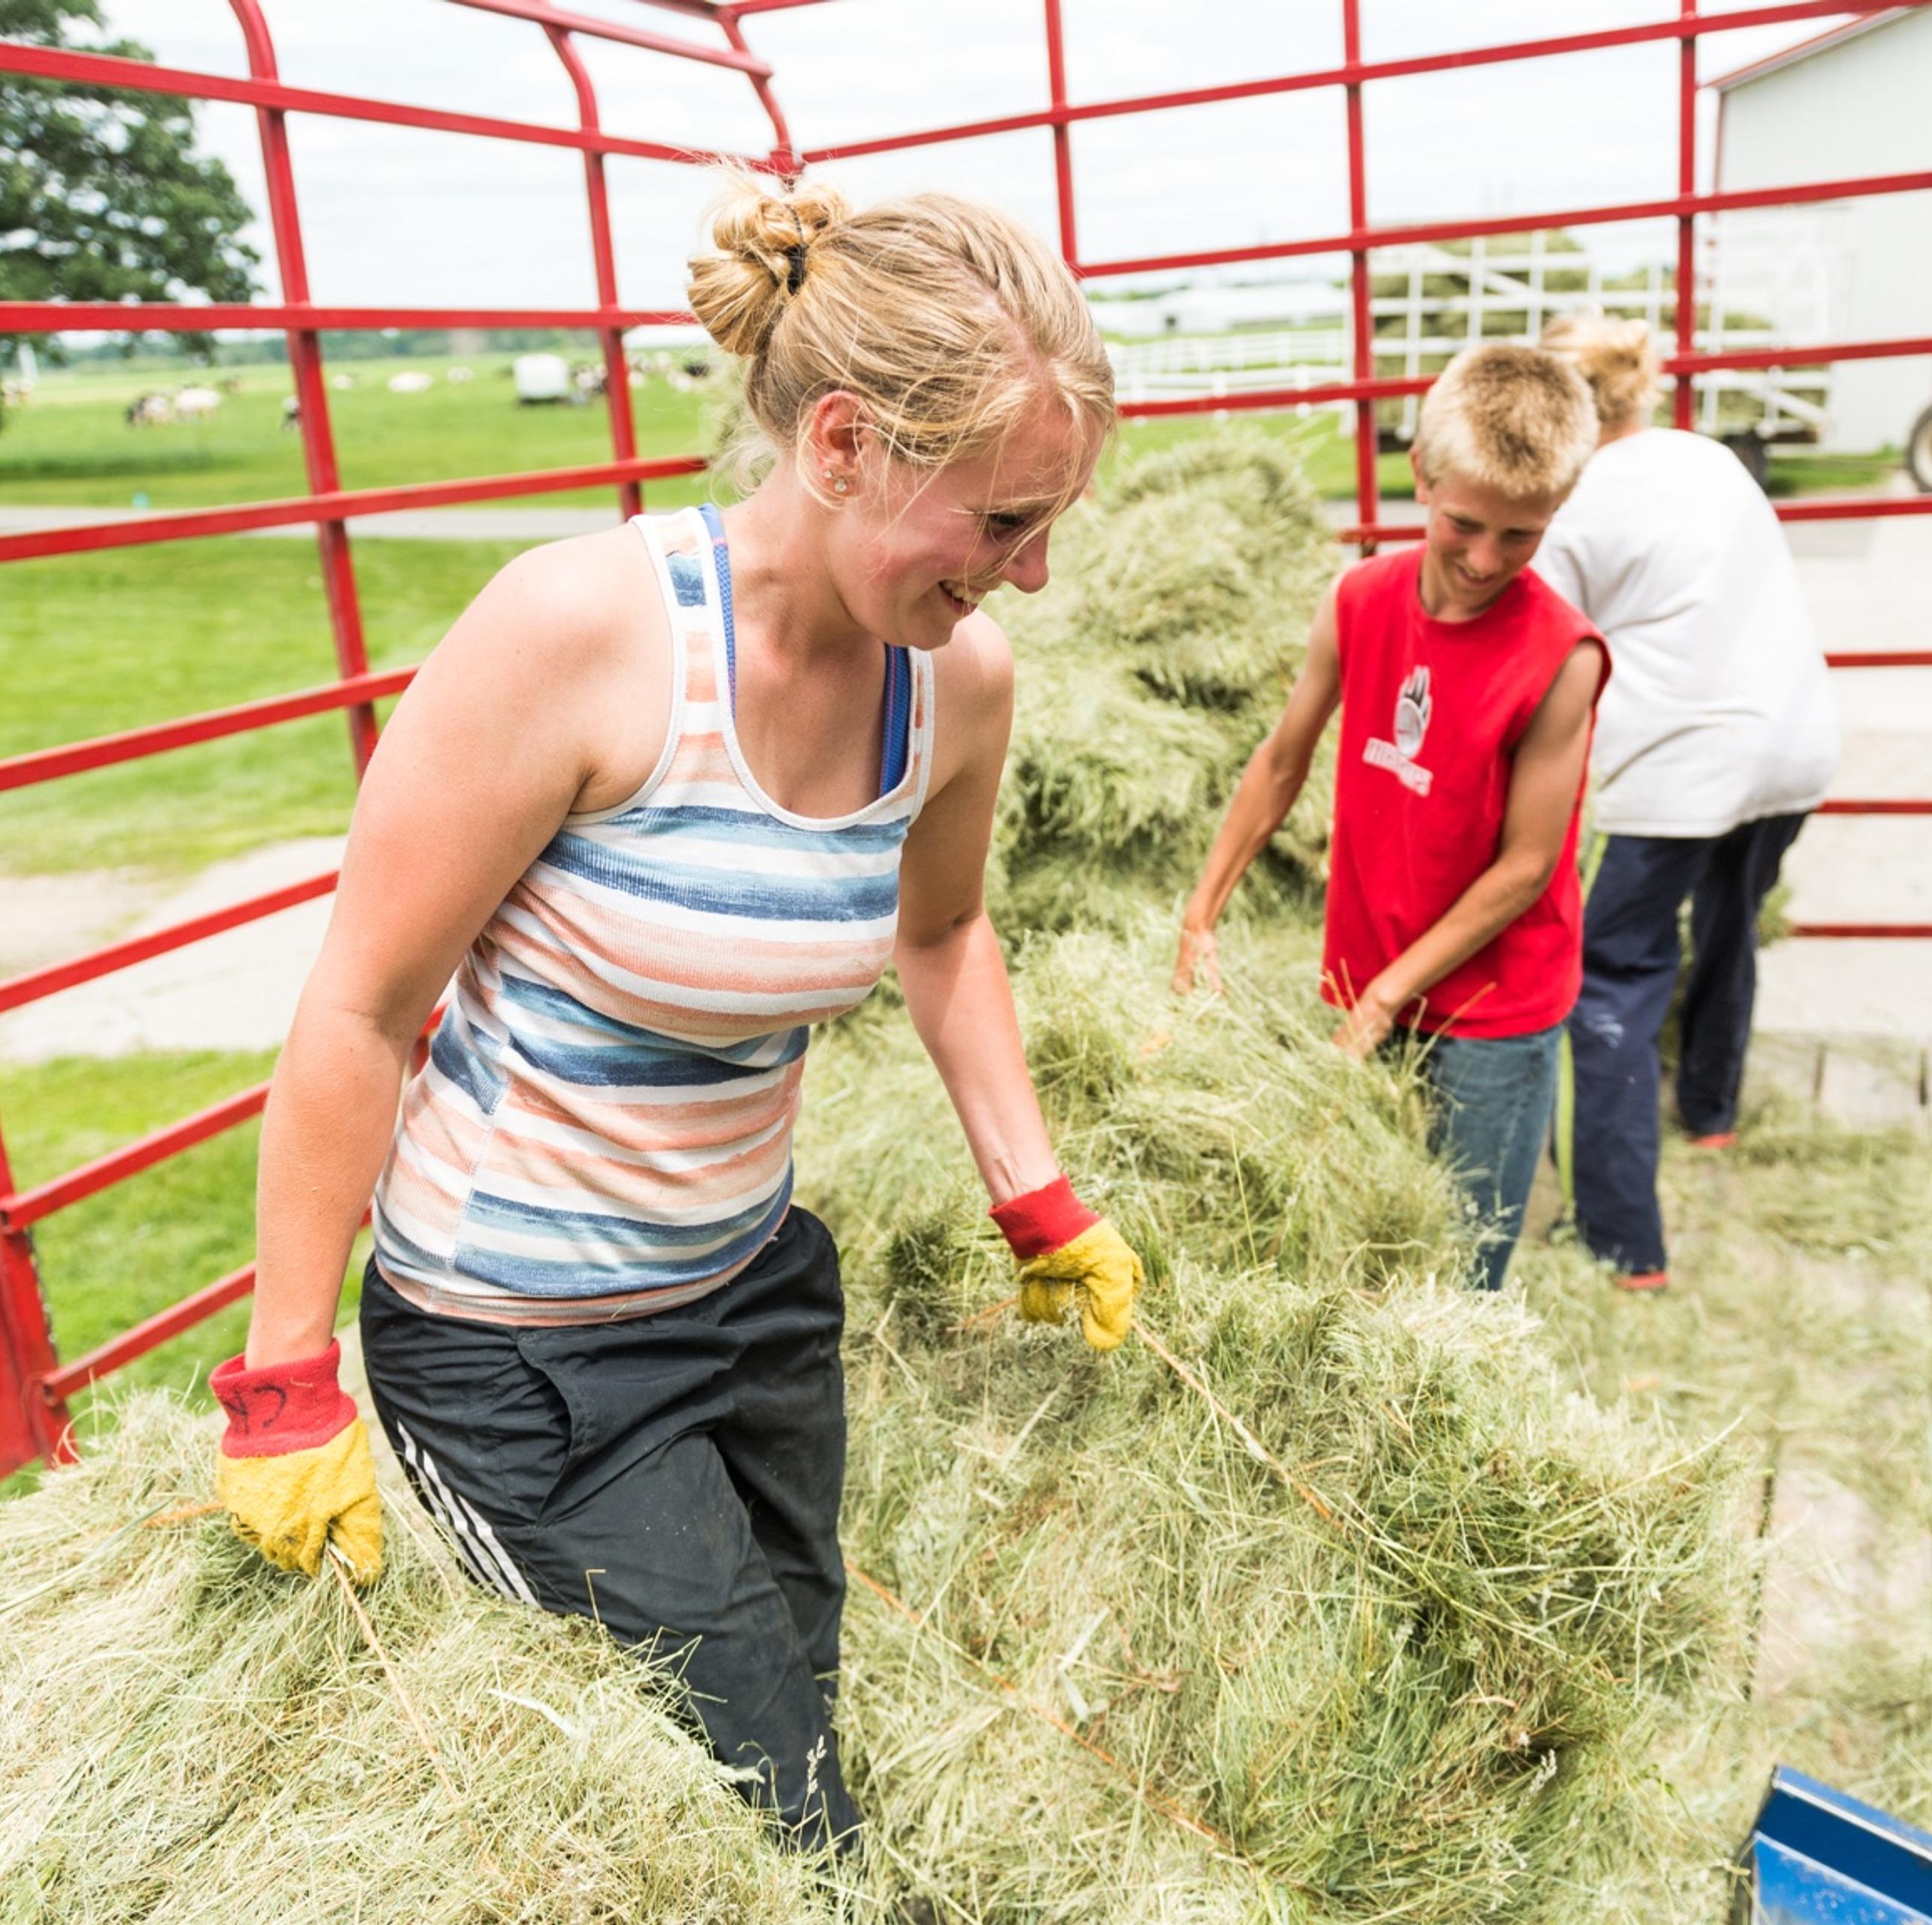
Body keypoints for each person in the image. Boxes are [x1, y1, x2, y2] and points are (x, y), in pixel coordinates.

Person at [207, 177, 1146, 1855]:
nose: (1041, 571)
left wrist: (1039, 1194)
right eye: (1006, 521)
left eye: (1051, 518)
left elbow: (944, 933)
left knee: (801, 1691)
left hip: (753, 1297)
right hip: (524, 1353)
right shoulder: (583, 636)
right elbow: (361, 1004)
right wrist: (286, 1377)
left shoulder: (956, 681)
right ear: (845, 445)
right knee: (773, 1816)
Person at [1174, 345, 1606, 1291]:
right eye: (1464, 523)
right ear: (1423, 474)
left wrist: (1383, 1001)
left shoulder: (1561, 657)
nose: (1486, 559)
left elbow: (1526, 868)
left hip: (1491, 1011)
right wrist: (1202, 910)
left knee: (1457, 1269)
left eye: (1521, 536)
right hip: (1364, 972)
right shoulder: (1360, 598)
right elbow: (1282, 759)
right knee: (1357, 1236)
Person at [1532, 314, 1838, 1291]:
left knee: (1611, 978)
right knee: (1730, 921)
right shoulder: (1711, 460)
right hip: (1792, 747)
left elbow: (1538, 658)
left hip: (1676, 771)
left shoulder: (1570, 503)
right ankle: (1710, 1111)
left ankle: (1624, 1245)